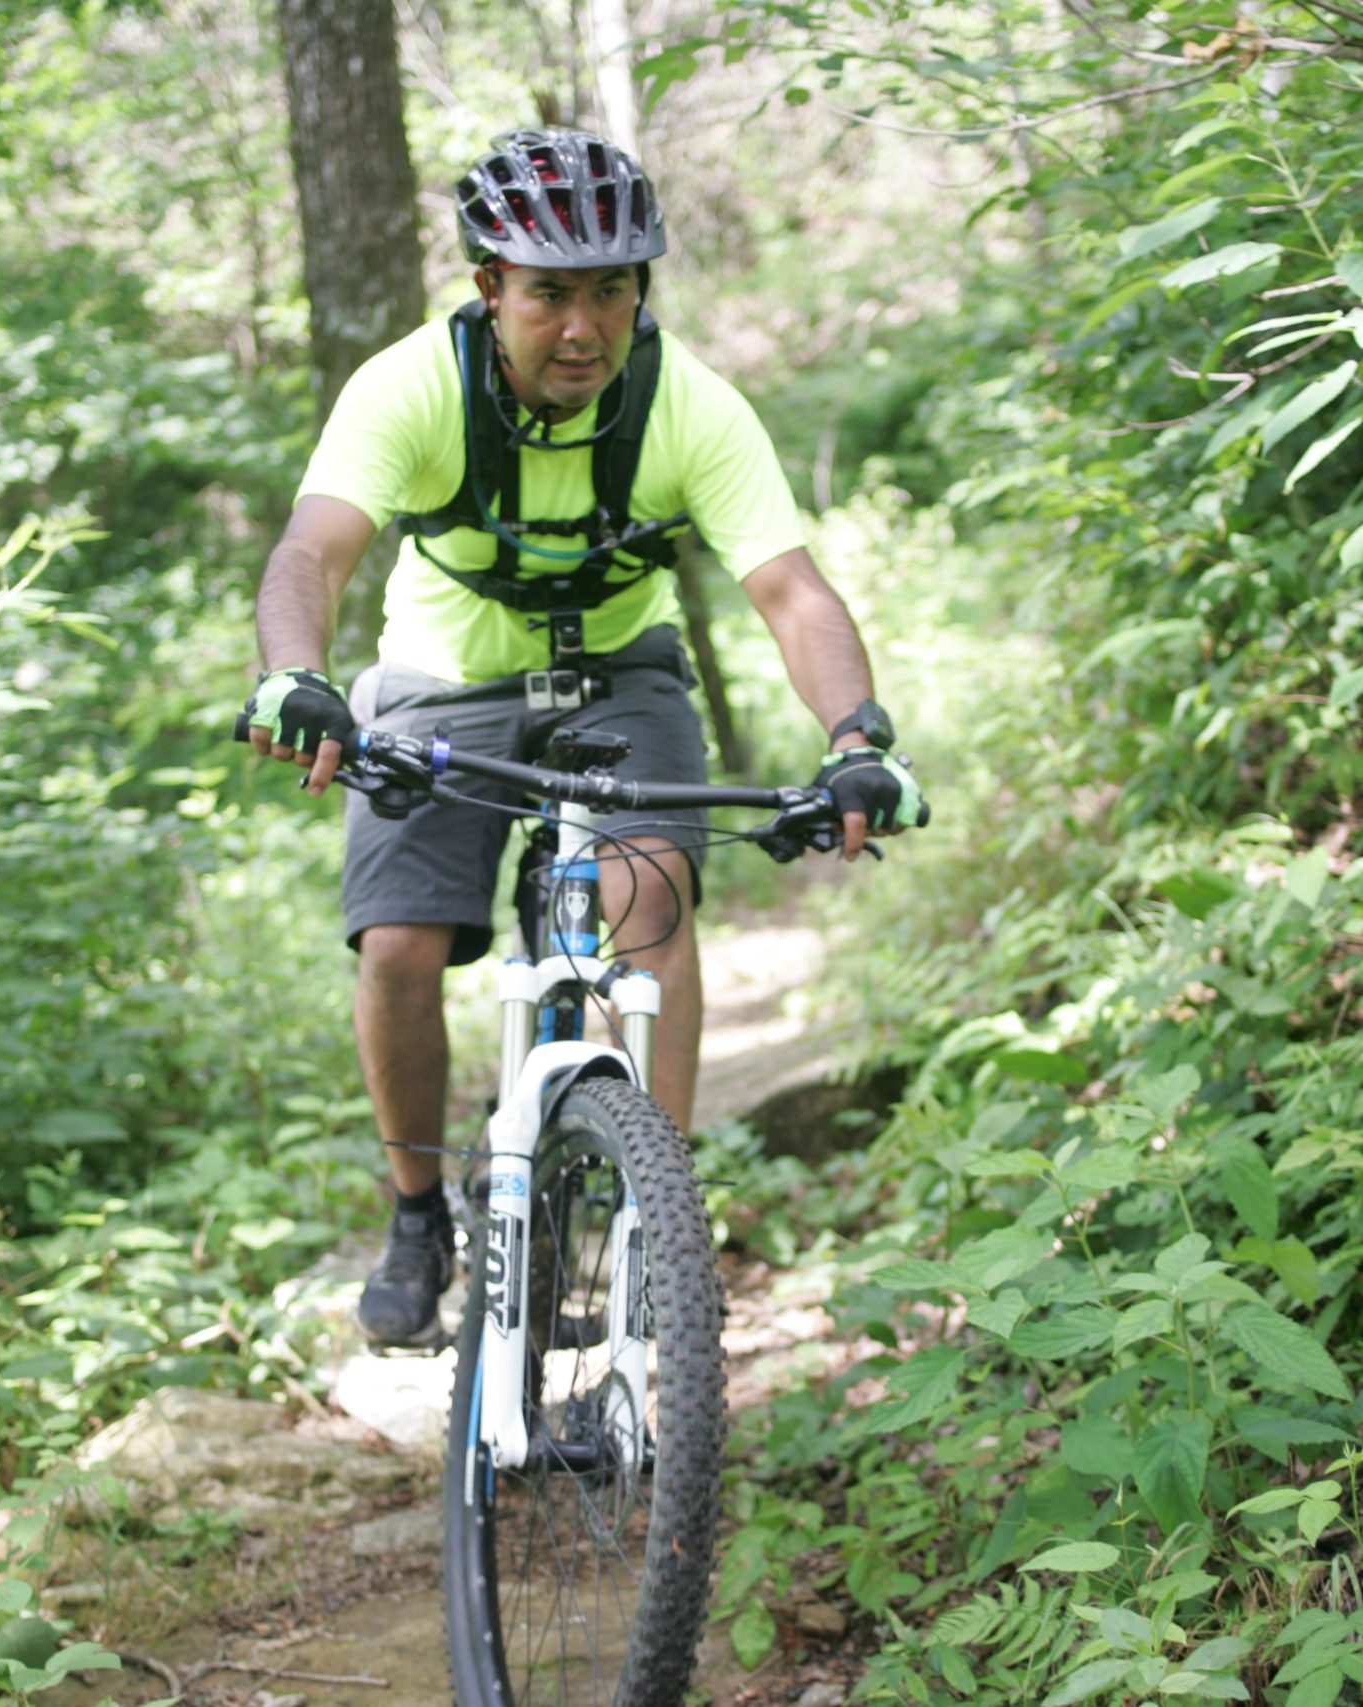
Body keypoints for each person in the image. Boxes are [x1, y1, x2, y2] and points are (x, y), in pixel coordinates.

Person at [238, 127, 925, 1346]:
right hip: (441, 678)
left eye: (611, 289)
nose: (581, 327)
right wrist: (297, 675)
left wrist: (856, 735)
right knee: (397, 946)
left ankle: (662, 1221)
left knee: (646, 901)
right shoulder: (408, 388)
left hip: (622, 676)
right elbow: (312, 552)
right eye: (549, 291)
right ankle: (416, 1214)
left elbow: (793, 592)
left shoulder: (690, 403)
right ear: (489, 285)